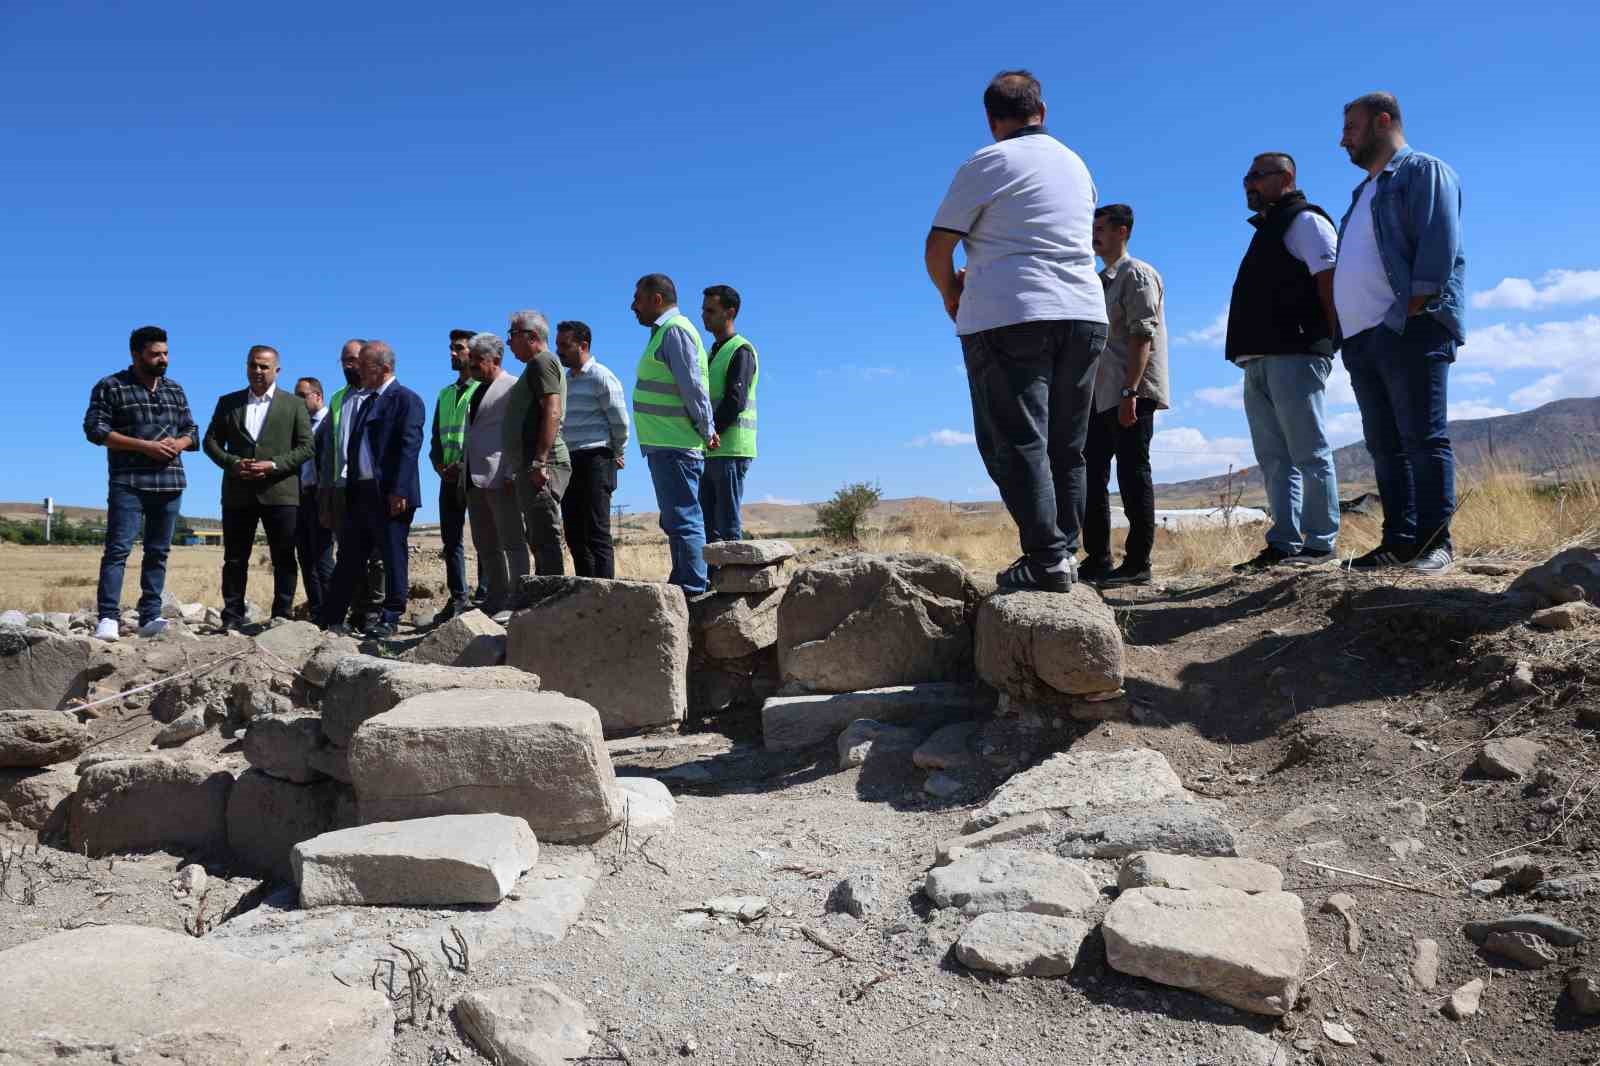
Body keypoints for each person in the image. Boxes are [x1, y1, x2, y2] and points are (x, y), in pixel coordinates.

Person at [925, 70, 1108, 592]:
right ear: (1042, 112)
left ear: (991, 121)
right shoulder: (1077, 165)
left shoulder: (988, 162)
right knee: (1066, 445)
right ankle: (1063, 554)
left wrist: (951, 292)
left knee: (1013, 440)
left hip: (1011, 314)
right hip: (1083, 314)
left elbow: (938, 247)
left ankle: (1047, 557)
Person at [1334, 91, 1465, 575]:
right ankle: (1400, 541)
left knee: (1422, 439)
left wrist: (1407, 314)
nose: (1342, 138)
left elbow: (1437, 251)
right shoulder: (1363, 191)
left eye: (1351, 125)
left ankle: (1436, 542)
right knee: (1385, 446)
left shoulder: (1422, 171)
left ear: (1383, 121)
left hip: (1409, 326)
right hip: (1363, 339)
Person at [1227, 153, 1342, 571]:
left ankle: (1320, 543)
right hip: (1258, 359)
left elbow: (1328, 278)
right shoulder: (1269, 228)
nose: (1248, 184)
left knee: (1309, 451)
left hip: (1295, 353)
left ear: (1287, 177)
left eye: (1257, 175)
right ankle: (1284, 542)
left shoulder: (1305, 221)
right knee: (1274, 458)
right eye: (1246, 176)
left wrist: (1329, 336)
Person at [81, 325, 199, 641]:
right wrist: (144, 446)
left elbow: (193, 430)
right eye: (155, 354)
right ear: (136, 355)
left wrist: (180, 443)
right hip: (128, 482)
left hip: (170, 482)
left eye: (166, 353)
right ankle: (107, 617)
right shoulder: (111, 386)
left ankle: (150, 616)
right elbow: (95, 430)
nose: (163, 359)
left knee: (158, 552)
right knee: (118, 550)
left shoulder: (175, 389)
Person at [1082, 204, 1169, 588]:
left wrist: (1131, 391)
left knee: (1133, 474)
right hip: (1099, 394)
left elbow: (1141, 334)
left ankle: (1137, 563)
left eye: (1101, 227)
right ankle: (1098, 557)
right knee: (1091, 476)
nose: (1094, 234)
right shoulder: (1100, 280)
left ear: (1122, 231)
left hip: (1129, 391)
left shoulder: (1137, 275)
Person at [202, 345, 315, 628]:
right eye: (253, 365)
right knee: (235, 559)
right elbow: (210, 442)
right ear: (246, 367)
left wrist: (273, 464)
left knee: (284, 558)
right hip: (238, 493)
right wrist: (232, 463)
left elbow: (306, 447)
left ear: (277, 370)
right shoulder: (228, 402)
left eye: (264, 366)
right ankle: (232, 616)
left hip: (281, 492)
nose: (258, 371)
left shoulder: (294, 405)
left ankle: (282, 615)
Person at [317, 341, 425, 638]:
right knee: (350, 557)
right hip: (360, 492)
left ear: (384, 368)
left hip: (390, 494)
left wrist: (400, 490)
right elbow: (354, 447)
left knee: (391, 556)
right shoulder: (365, 402)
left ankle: (390, 617)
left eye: (365, 366)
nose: (357, 370)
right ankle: (330, 617)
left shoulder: (406, 400)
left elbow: (409, 447)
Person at [631, 273, 718, 594]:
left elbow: (692, 386)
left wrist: (706, 427)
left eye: (638, 298)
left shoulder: (675, 331)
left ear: (657, 299)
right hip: (666, 444)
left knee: (684, 520)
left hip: (676, 443)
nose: (632, 306)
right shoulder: (663, 333)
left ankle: (693, 589)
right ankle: (685, 583)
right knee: (677, 521)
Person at [318, 338, 386, 626]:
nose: (350, 365)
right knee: (349, 552)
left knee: (377, 555)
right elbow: (327, 449)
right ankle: (357, 610)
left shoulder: (382, 396)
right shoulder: (337, 399)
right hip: (342, 487)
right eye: (344, 360)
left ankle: (376, 610)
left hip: (373, 486)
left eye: (355, 358)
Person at [555, 320, 629, 578]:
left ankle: (605, 595)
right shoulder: (564, 381)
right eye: (558, 345)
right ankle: (585, 592)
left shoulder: (601, 376)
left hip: (596, 458)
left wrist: (617, 451)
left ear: (583, 345)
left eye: (565, 345)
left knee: (597, 531)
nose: (559, 351)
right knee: (575, 535)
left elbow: (619, 420)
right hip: (569, 461)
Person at [461, 332, 527, 613]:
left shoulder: (513, 387)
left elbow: (519, 432)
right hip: (473, 478)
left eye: (478, 359)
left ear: (496, 360)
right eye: (471, 358)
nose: (472, 364)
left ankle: (518, 597)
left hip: (501, 477)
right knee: (485, 543)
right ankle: (496, 597)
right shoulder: (475, 391)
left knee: (511, 540)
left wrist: (513, 471)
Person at [504, 310, 571, 576]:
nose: (509, 342)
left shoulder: (542, 362)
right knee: (538, 536)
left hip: (543, 463)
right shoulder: (535, 366)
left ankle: (550, 603)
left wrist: (540, 460)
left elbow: (552, 410)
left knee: (545, 537)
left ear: (531, 336)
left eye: (512, 335)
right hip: (531, 464)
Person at [698, 285, 759, 546]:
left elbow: (735, 401)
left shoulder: (740, 350)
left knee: (727, 525)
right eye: (703, 310)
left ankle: (738, 584)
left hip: (731, 448)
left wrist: (712, 431)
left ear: (729, 312)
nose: (704, 316)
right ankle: (714, 581)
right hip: (712, 449)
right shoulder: (712, 352)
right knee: (708, 526)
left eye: (711, 310)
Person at [429, 329, 482, 620]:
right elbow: (436, 436)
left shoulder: (483, 389)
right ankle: (458, 597)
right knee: (451, 540)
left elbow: (484, 433)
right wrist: (439, 465)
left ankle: (484, 595)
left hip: (474, 475)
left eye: (458, 348)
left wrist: (462, 464)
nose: (452, 353)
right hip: (447, 478)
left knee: (485, 537)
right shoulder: (445, 393)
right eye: (451, 348)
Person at [292, 376, 336, 619]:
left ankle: (332, 613)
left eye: (302, 396)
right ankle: (317, 610)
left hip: (324, 497)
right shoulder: (299, 426)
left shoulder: (332, 422)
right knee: (305, 557)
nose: (297, 402)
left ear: (318, 396)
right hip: (301, 497)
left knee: (322, 557)